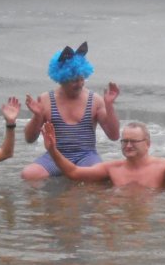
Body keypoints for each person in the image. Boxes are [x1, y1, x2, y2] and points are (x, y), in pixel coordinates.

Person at [21, 41, 121, 180]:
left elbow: (114, 135)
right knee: (29, 174)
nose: (79, 84)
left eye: (81, 79)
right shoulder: (46, 99)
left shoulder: (95, 100)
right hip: (55, 155)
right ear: (61, 78)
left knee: (99, 177)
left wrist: (109, 105)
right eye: (74, 80)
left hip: (86, 156)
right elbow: (29, 139)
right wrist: (37, 116)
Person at [41, 118, 165, 197]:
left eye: (133, 141)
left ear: (148, 143)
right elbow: (74, 172)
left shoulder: (164, 166)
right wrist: (53, 150)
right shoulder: (112, 168)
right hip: (121, 218)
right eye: (125, 141)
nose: (128, 145)